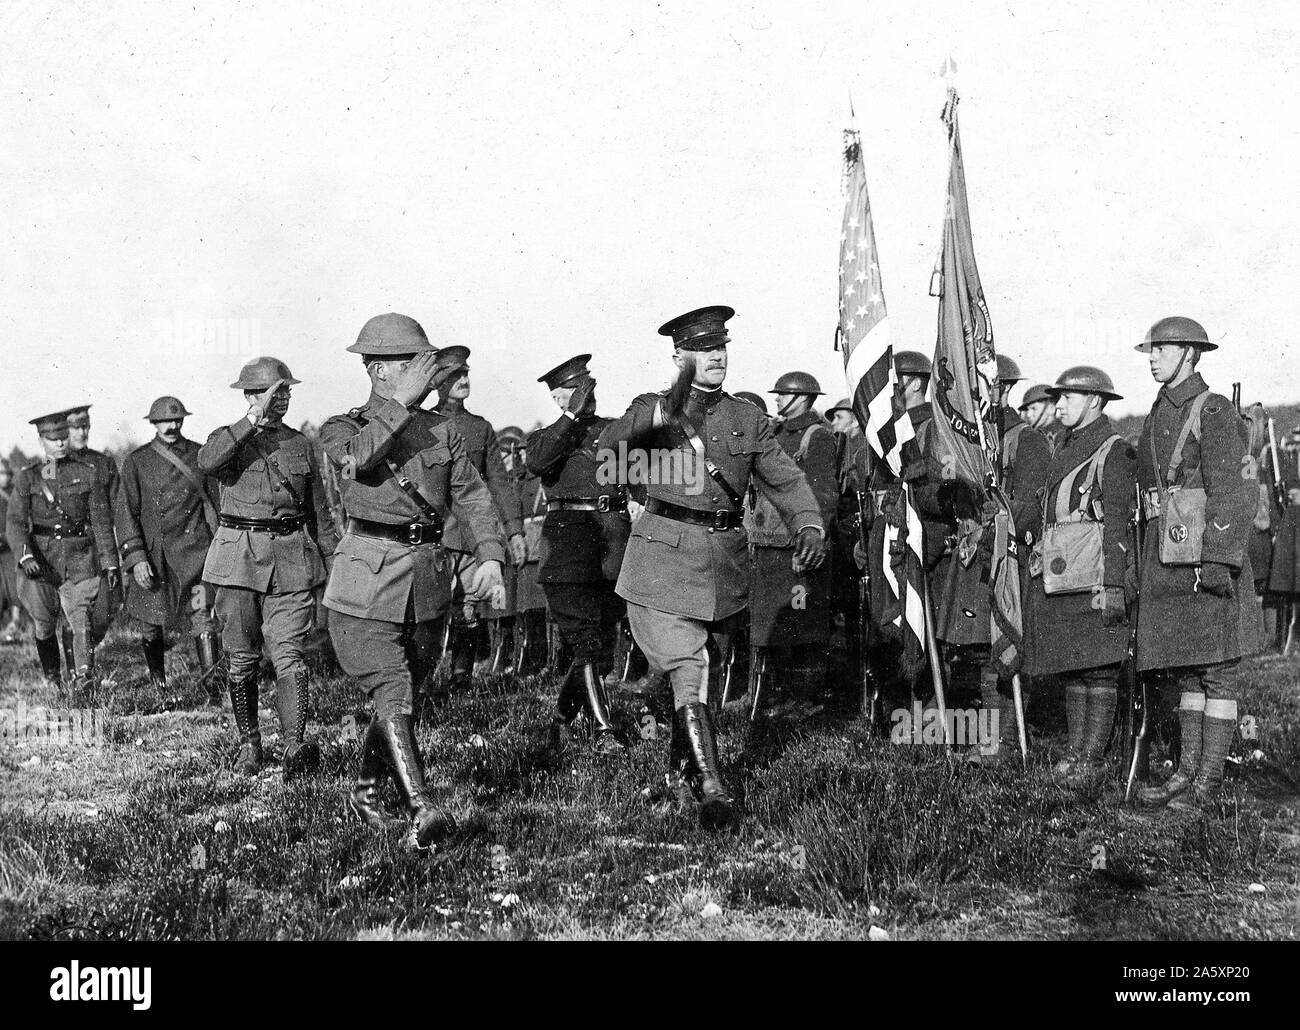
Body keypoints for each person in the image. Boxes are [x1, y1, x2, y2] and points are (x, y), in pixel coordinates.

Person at [599, 305, 826, 830]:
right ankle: (713, 787)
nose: (717, 355)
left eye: (722, 346)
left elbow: (785, 480)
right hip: (661, 554)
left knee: (698, 670)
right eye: (704, 348)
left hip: (723, 562)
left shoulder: (746, 419)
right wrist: (650, 420)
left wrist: (808, 525)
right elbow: (607, 457)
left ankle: (680, 775)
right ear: (680, 356)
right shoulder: (653, 409)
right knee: (688, 665)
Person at [320, 312, 504, 849]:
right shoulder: (344, 427)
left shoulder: (443, 431)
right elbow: (357, 461)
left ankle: (367, 788)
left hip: (427, 580)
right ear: (378, 371)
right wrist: (402, 404)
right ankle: (423, 808)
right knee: (392, 687)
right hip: (365, 583)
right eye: (411, 363)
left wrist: (490, 553)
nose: (427, 372)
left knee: (406, 694)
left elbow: (472, 496)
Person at [1132, 317, 1263, 811]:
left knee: (1218, 673)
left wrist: (1218, 560)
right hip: (1168, 560)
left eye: (1162, 349)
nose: (1152, 357)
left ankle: (1207, 784)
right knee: (1188, 672)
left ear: (1189, 353)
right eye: (1151, 349)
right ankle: (1186, 774)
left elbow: (1232, 492)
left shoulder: (1213, 410)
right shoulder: (1158, 411)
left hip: (1205, 560)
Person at [198, 357, 336, 780]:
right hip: (238, 560)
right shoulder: (226, 439)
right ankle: (249, 744)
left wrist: (333, 564)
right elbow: (208, 461)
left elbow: (321, 514)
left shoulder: (301, 444)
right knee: (241, 659)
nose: (282, 400)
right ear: (250, 396)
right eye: (273, 393)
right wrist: (250, 422)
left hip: (293, 558)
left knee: (289, 654)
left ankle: (295, 746)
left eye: (287, 392)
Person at [921, 353, 1050, 762]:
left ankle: (1003, 741)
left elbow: (1030, 504)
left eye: (987, 387)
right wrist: (948, 492)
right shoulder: (957, 442)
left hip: (1005, 556)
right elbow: (927, 495)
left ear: (1004, 389)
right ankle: (987, 738)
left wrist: (995, 515)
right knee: (978, 650)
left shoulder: (1023, 438)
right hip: (968, 554)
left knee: (1004, 645)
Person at [1023, 368, 1136, 789]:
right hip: (1065, 573)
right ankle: (1076, 753)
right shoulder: (1062, 447)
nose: (1061, 404)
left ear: (1095, 401)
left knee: (1100, 669)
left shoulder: (1115, 451)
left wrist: (1113, 585)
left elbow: (1120, 525)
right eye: (1060, 398)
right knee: (1075, 668)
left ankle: (1092, 758)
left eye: (1070, 397)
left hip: (1095, 576)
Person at [527, 354, 630, 754]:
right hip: (568, 550)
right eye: (576, 392)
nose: (588, 397)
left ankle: (560, 720)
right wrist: (569, 418)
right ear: (558, 398)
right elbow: (538, 462)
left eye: (590, 388)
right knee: (587, 643)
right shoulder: (544, 438)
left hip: (612, 546)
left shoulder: (612, 431)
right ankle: (605, 733)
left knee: (600, 648)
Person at [115, 396, 222, 708]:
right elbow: (126, 515)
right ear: (153, 423)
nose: (172, 425)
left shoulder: (199, 456)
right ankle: (158, 683)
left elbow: (213, 505)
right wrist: (136, 559)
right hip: (155, 561)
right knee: (150, 620)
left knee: (202, 614)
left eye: (177, 420)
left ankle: (212, 687)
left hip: (196, 558)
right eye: (165, 421)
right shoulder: (137, 462)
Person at [5, 411, 117, 701]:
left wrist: (110, 561)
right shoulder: (28, 477)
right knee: (44, 623)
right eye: (53, 440)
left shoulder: (87, 472)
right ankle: (52, 676)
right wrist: (26, 555)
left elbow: (102, 521)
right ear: (41, 440)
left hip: (79, 558)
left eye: (63, 438)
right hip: (40, 563)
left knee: (81, 621)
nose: (60, 445)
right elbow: (16, 523)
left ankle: (83, 679)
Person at [746, 372, 838, 713]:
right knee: (773, 626)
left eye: (783, 394)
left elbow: (823, 496)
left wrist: (811, 545)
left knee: (803, 626)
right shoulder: (774, 435)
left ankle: (806, 698)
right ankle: (777, 694)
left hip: (796, 547)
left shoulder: (818, 437)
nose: (777, 400)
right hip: (769, 544)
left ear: (802, 398)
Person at [432, 347, 523, 688]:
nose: (464, 381)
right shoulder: (422, 425)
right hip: (433, 535)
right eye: (455, 376)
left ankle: (460, 677)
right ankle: (419, 682)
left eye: (466, 374)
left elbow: (499, 482)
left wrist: (514, 531)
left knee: (468, 607)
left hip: (471, 534)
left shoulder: (480, 428)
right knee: (429, 609)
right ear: (437, 382)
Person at [64, 405, 122, 645]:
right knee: (77, 615)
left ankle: (81, 650)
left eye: (85, 426)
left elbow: (120, 507)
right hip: (70, 552)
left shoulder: (103, 463)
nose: (81, 433)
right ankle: (78, 672)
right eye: (74, 428)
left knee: (108, 607)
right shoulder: (51, 466)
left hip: (103, 548)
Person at [498, 426, 549, 675]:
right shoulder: (519, 479)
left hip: (538, 548)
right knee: (522, 609)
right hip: (523, 550)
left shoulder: (539, 478)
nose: (521, 457)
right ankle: (525, 658)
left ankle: (536, 659)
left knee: (536, 608)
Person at [0, 459, 28, 643]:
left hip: (10, 546)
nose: (3, 477)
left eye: (5, 473)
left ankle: (15, 623)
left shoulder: (13, 493)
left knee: (14, 586)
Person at [1018, 383, 1065, 455]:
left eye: (1034, 408)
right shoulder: (1033, 434)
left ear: (1051, 409)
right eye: (1027, 410)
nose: (1028, 414)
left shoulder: (1062, 437)